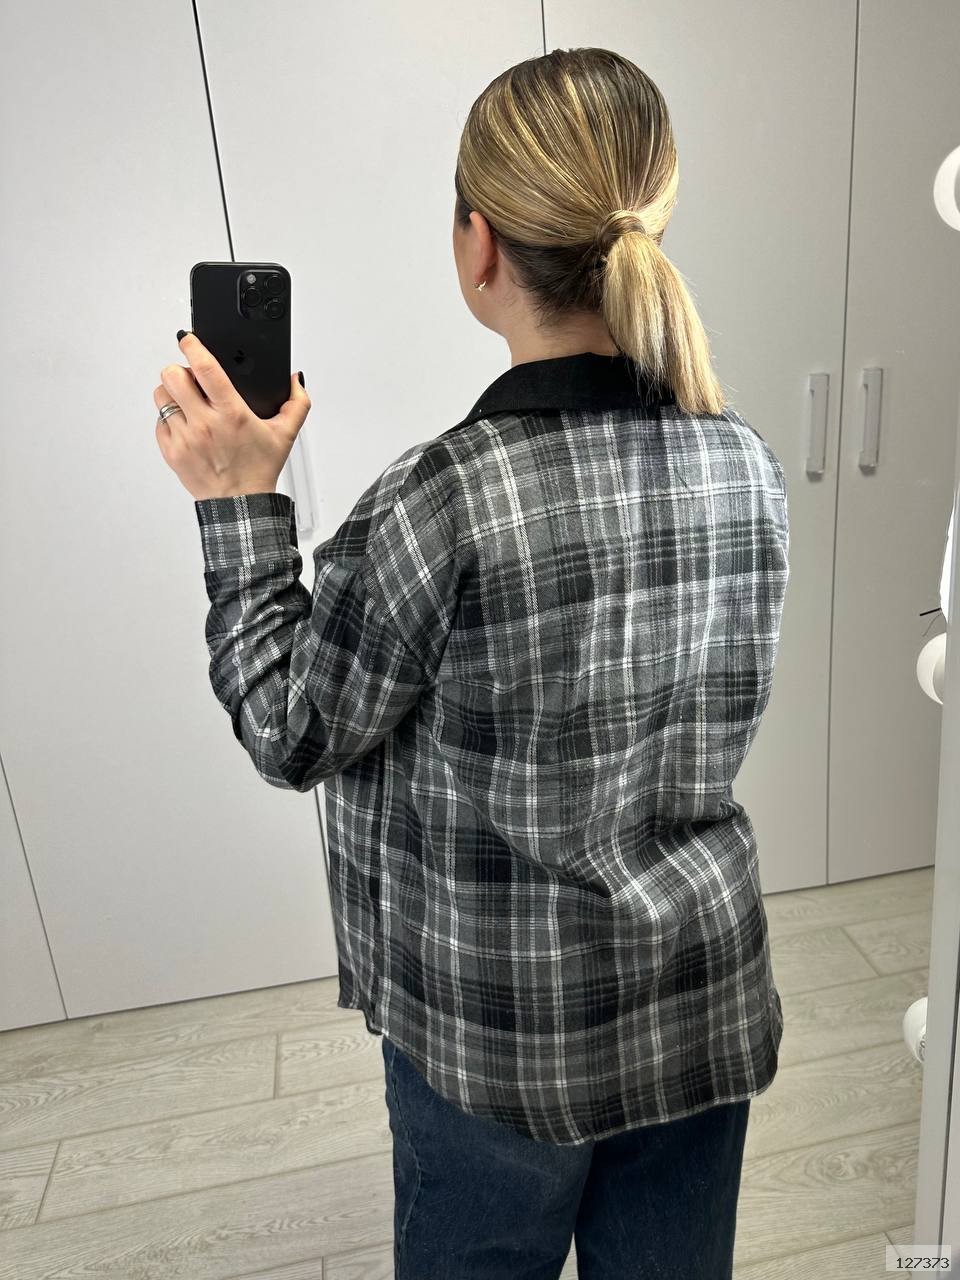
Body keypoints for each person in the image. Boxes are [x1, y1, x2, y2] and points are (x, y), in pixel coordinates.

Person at [193, 46, 789, 1280]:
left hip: (500, 1037)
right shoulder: (747, 461)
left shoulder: (441, 498)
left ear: (480, 248)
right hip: (699, 993)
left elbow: (292, 732)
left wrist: (237, 501)